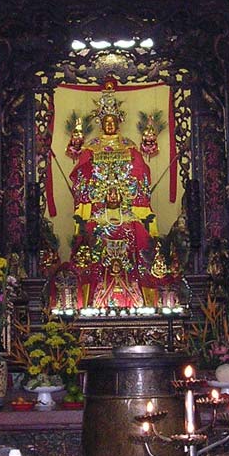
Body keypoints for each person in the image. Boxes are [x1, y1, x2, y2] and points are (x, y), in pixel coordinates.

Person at [67, 80, 159, 309]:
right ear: (102, 124)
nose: (109, 125)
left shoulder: (128, 146)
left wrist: (136, 205)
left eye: (113, 121)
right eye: (106, 121)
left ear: (118, 123)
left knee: (135, 231)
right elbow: (83, 177)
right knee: (92, 233)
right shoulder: (92, 148)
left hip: (126, 209)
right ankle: (92, 302)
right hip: (99, 211)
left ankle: (136, 298)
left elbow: (139, 175)